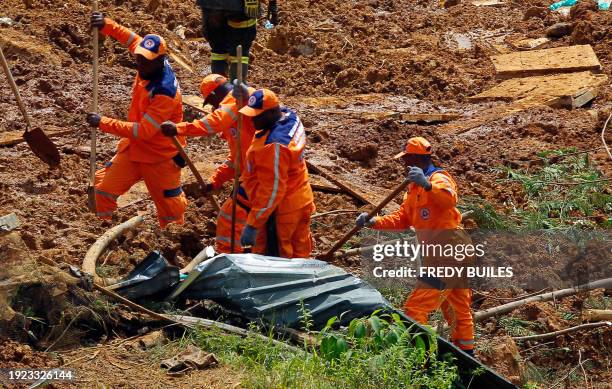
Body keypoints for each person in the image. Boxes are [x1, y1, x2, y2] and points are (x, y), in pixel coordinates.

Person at [355, 137, 475, 355]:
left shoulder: (439, 178)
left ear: (417, 159)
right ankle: (467, 356)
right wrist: (374, 222)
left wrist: (427, 185)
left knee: (416, 308)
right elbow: (402, 218)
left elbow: (449, 200)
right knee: (457, 309)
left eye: (407, 159)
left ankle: (421, 357)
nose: (404, 165)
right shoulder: (412, 189)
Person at [86, 12, 187, 228]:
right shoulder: (146, 53)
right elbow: (130, 39)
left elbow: (144, 131)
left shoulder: (165, 92)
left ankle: (175, 238)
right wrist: (106, 24)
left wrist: (102, 122)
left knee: (170, 209)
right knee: (102, 189)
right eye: (138, 59)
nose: (140, 64)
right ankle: (102, 229)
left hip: (159, 156)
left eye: (146, 62)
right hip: (134, 150)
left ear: (161, 60)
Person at [160, 75, 255, 253]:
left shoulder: (236, 102)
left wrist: (179, 128)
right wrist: (215, 180)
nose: (212, 108)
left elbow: (212, 124)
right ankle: (251, 252)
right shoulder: (237, 114)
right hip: (253, 173)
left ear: (214, 95)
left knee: (230, 218)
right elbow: (236, 160)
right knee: (246, 220)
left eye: (211, 102)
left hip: (259, 175)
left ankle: (232, 258)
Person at [237, 88, 315, 258]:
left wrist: (253, 224)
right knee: (300, 250)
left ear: (272, 113)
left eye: (258, 115)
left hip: (283, 210)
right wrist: (250, 93)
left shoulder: (273, 147)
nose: (252, 119)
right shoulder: (289, 116)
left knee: (280, 258)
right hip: (301, 197)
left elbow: (272, 191)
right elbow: (269, 99)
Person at [196, 0, 278, 80]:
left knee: (218, 49)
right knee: (240, 50)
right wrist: (273, 5)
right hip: (242, 6)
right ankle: (237, 88)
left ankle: (218, 88)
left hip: (210, 5)